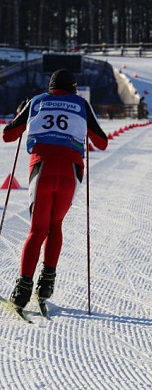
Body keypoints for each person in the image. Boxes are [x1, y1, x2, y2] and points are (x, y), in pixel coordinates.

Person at [2, 69, 108, 312]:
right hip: (71, 172)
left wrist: (23, 113)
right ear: (73, 87)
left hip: (42, 168)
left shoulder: (36, 101)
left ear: (50, 88)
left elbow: (8, 135)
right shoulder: (81, 104)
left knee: (38, 228)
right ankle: (46, 285)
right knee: (55, 225)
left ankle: (22, 291)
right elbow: (102, 142)